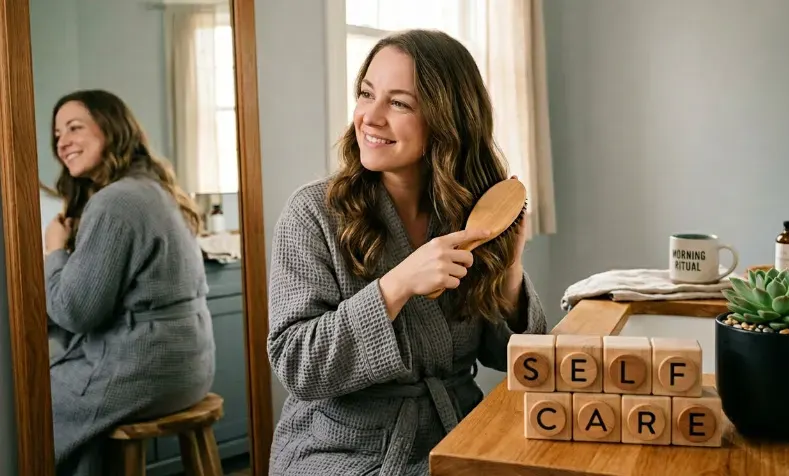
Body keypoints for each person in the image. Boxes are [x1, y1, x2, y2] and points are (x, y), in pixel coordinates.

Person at [267, 29, 548, 475]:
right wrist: (396, 286)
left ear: (446, 119)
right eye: (366, 94)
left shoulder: (464, 214)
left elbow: (516, 362)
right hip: (340, 451)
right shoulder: (313, 215)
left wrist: (510, 270)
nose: (370, 117)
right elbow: (299, 366)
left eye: (398, 103)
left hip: (455, 433)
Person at [44, 89, 216, 476]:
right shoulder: (155, 187)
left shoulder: (114, 201)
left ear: (111, 129)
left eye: (75, 128)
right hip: (190, 369)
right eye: (57, 134)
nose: (63, 142)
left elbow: (74, 313)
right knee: (79, 409)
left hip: (148, 369)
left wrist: (54, 251)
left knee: (32, 402)